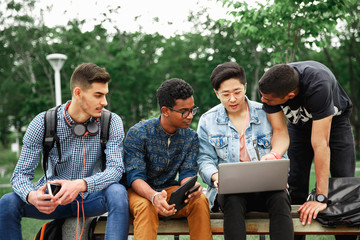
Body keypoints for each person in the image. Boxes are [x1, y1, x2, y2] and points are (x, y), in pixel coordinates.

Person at [0, 63, 129, 240]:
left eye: (105, 95)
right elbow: (20, 174)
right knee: (7, 202)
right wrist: (31, 196)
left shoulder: (112, 122)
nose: (104, 102)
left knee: (117, 192)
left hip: (91, 198)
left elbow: (115, 170)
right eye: (98, 95)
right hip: (54, 201)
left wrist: (80, 184)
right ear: (78, 93)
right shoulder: (42, 122)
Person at [258, 60, 356, 240]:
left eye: (268, 99)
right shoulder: (270, 86)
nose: (263, 101)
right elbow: (280, 131)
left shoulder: (318, 84)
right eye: (262, 96)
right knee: (295, 183)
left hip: (335, 124)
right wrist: (274, 154)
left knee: (343, 185)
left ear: (290, 94)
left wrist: (320, 197)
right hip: (298, 125)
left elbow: (320, 144)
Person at [197, 62, 293, 240]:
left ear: (245, 87)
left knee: (280, 197)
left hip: (266, 187)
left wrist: (278, 171)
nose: (232, 99)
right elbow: (204, 160)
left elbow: (281, 151)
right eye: (225, 94)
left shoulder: (266, 112)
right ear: (216, 93)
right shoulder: (207, 120)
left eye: (237, 92)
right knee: (232, 199)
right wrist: (216, 177)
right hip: (231, 192)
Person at [124, 78, 213, 240]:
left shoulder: (190, 137)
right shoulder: (138, 133)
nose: (190, 116)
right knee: (146, 206)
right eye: (184, 111)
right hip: (138, 192)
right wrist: (153, 196)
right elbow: (134, 177)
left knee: (199, 200)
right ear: (165, 111)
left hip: (169, 192)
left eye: (192, 110)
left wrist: (192, 188)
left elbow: (187, 173)